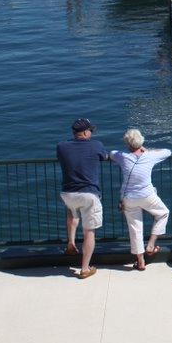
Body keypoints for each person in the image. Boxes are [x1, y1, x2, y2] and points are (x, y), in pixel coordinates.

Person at [111, 128, 171, 271]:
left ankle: (140, 260)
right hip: (147, 195)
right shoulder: (149, 156)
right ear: (141, 141)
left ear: (127, 143)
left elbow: (111, 153)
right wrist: (146, 149)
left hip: (128, 198)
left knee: (135, 228)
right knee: (163, 213)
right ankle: (151, 243)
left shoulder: (123, 156)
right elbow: (168, 151)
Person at [57, 117, 109, 279]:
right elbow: (104, 157)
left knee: (72, 213)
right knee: (89, 232)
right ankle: (85, 268)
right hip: (88, 194)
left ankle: (71, 244)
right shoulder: (96, 145)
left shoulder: (62, 146)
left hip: (68, 193)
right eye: (90, 131)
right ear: (86, 132)